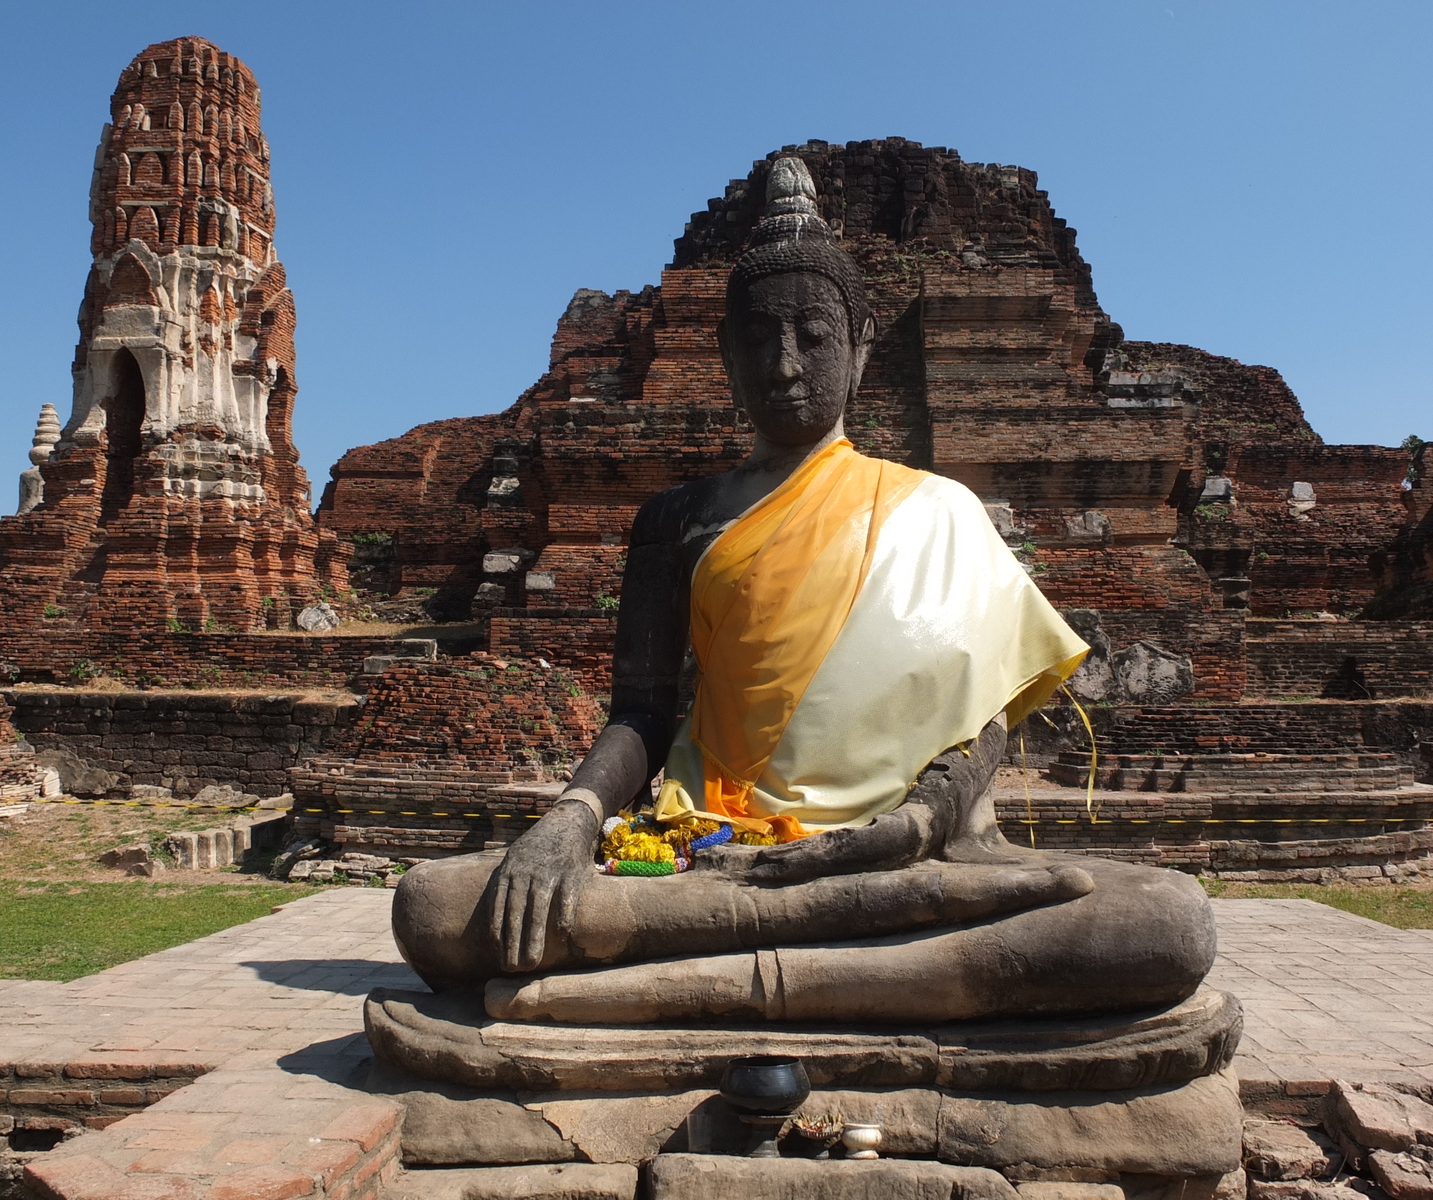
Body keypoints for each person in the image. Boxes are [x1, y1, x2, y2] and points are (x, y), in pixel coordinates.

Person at [392, 158, 1215, 1025]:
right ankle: (879, 978)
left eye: (814, 335)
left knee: (1164, 925)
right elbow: (640, 713)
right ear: (723, 353)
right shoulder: (675, 521)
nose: (784, 364)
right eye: (757, 338)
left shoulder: (940, 511)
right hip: (710, 847)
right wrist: (572, 817)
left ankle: (684, 988)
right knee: (437, 912)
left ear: (861, 345)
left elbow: (984, 720)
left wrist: (912, 828)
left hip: (899, 853)